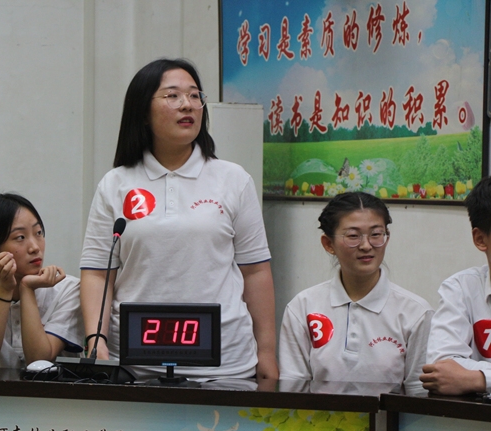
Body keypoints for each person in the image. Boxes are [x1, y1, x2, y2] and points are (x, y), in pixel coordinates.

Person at [79, 58, 278, 381]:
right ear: (143, 112)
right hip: (134, 362)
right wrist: (96, 339)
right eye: (172, 96)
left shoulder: (233, 179)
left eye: (195, 95)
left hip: (224, 363)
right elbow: (98, 274)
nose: (187, 104)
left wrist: (267, 352)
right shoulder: (115, 184)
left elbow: (255, 271)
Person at [279, 192, 433, 394]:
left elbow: (418, 393)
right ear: (328, 244)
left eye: (376, 234)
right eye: (353, 236)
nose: (366, 246)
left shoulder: (416, 313)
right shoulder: (303, 307)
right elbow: (293, 387)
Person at [0, 193, 83, 369]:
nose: (35, 247)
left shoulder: (68, 289)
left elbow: (39, 360)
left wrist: (27, 288)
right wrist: (4, 290)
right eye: (20, 237)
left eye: (38, 233)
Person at [420, 177, 491, 395]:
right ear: (480, 239)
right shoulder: (460, 288)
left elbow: (460, 374)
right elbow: (442, 366)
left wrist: (479, 379)